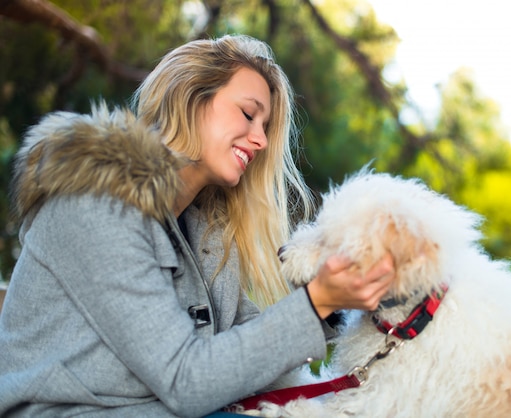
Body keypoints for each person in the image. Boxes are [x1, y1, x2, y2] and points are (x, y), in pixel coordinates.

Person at [0, 34, 395, 417]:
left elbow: (242, 351)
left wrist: (337, 304)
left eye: (266, 127)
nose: (259, 140)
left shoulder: (203, 232)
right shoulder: (95, 205)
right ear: (190, 98)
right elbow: (186, 381)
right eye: (247, 114)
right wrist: (317, 301)